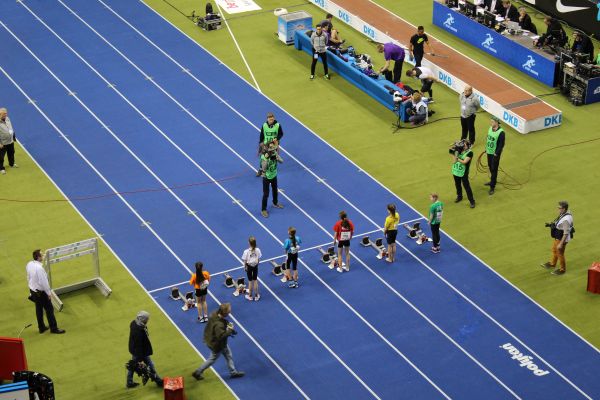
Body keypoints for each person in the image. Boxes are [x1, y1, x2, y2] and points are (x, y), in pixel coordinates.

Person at [192, 303, 245, 380]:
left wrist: (229, 328)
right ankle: (198, 372)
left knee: (227, 355)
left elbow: (222, 324)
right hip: (217, 344)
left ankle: (233, 372)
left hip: (209, 338)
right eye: (229, 312)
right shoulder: (219, 325)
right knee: (214, 358)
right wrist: (230, 330)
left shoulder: (214, 314)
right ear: (225, 313)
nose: (230, 312)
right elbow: (221, 336)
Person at [26, 249, 65, 334]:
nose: (43, 255)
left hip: (33, 290)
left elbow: (28, 277)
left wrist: (30, 289)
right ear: (38, 257)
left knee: (39, 309)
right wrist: (48, 293)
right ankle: (54, 328)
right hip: (41, 293)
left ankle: (41, 327)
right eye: (42, 254)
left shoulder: (29, 264)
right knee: (49, 309)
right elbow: (44, 282)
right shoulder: (39, 268)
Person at [127, 311, 163, 388]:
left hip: (135, 350)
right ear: (143, 319)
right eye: (147, 319)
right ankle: (158, 381)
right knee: (150, 365)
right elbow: (139, 345)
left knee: (133, 366)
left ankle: (129, 382)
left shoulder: (134, 323)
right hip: (140, 352)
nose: (147, 320)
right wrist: (140, 359)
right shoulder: (139, 331)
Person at [541, 201, 574, 276]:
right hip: (558, 236)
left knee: (560, 253)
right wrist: (551, 224)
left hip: (562, 238)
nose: (558, 209)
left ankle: (562, 269)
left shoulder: (566, 220)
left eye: (560, 208)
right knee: (554, 249)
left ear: (564, 209)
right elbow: (560, 222)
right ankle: (552, 263)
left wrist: (561, 244)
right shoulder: (565, 213)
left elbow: (566, 233)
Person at [450, 140, 476, 208]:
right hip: (456, 171)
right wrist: (454, 149)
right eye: (462, 145)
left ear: (468, 146)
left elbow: (464, 162)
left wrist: (457, 157)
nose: (463, 146)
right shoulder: (458, 150)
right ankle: (459, 196)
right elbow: (454, 161)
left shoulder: (470, 153)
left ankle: (472, 201)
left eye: (464, 145)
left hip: (463, 172)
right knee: (457, 184)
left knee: (466, 187)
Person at [256, 112, 284, 176]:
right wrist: (260, 143)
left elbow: (281, 134)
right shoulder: (264, 125)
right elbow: (262, 135)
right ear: (267, 119)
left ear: (274, 118)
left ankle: (272, 170)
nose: (271, 120)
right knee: (263, 158)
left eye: (272, 118)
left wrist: (277, 138)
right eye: (270, 118)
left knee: (273, 159)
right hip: (266, 145)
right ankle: (261, 170)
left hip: (274, 146)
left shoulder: (278, 125)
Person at [260, 144, 284, 218]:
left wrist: (277, 158)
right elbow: (263, 168)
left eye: (274, 150)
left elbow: (282, 161)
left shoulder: (275, 154)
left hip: (274, 175)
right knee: (266, 194)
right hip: (266, 177)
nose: (273, 151)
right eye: (272, 150)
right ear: (268, 151)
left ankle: (275, 203)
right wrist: (267, 159)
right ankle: (263, 210)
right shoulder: (264, 157)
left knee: (275, 190)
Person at [485, 116, 505, 196]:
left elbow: (501, 145)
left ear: (497, 122)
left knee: (494, 169)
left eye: (492, 122)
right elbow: (488, 138)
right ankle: (492, 181)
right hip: (489, 152)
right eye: (491, 121)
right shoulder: (490, 128)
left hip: (495, 154)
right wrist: (486, 148)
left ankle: (492, 186)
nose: (491, 123)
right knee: (490, 166)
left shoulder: (501, 132)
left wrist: (496, 153)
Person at [242, 236, 262, 301]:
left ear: (249, 243)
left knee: (250, 281)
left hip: (249, 267)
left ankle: (250, 296)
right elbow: (259, 258)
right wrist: (257, 264)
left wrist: (245, 267)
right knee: (255, 280)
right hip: (255, 266)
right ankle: (256, 296)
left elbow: (245, 260)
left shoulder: (246, 251)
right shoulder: (258, 250)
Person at [0, 108, 18, 175]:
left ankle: (11, 164)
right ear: (0, 114)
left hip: (10, 141)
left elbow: (10, 127)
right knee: (1, 157)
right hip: (3, 143)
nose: (6, 114)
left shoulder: (7, 118)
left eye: (6, 113)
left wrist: (13, 136)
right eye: (4, 113)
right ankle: (1, 168)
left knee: (11, 153)